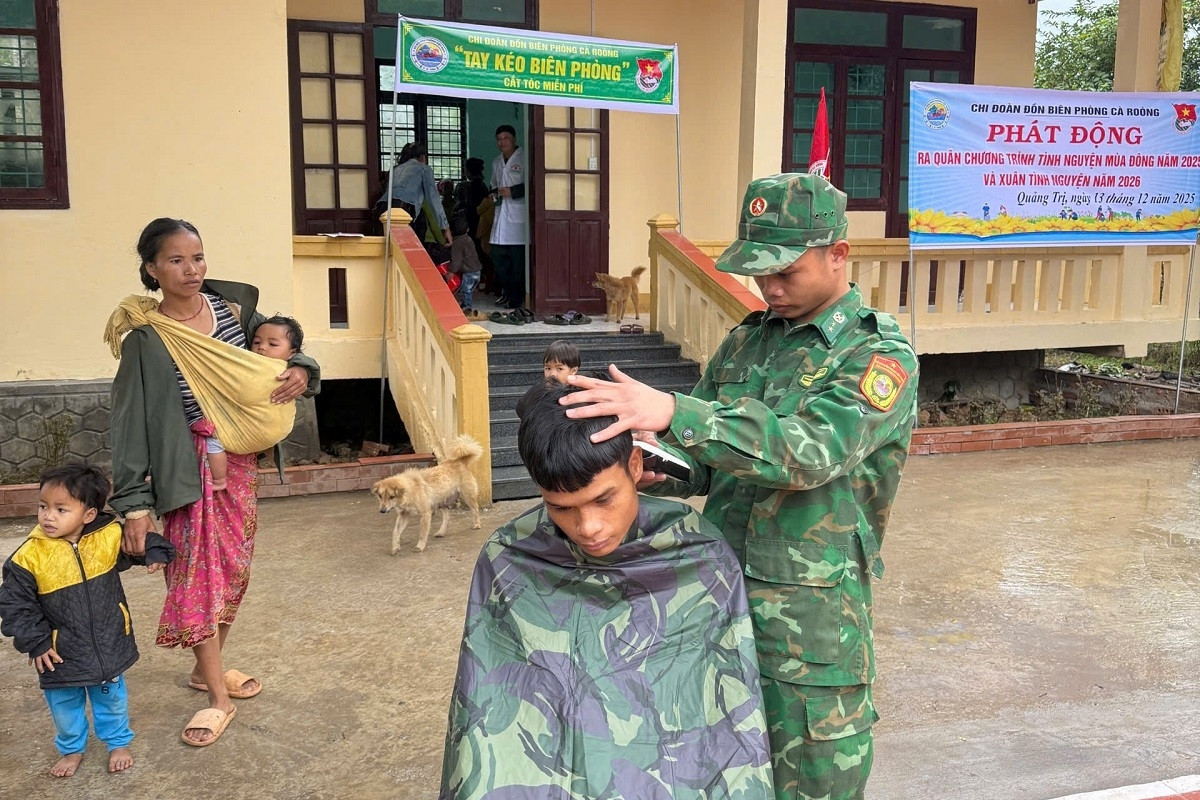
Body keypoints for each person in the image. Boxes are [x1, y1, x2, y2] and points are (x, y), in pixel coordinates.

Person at [560, 173, 919, 800]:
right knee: (718, 773)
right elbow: (704, 462)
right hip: (718, 604)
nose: (770, 287)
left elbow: (811, 452)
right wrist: (646, 460)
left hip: (809, 632)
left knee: (812, 784)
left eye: (785, 271)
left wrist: (675, 412)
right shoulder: (749, 342)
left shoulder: (876, 355)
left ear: (838, 254)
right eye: (759, 272)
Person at [438, 381, 774, 800]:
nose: (588, 527)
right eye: (561, 507)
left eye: (604, 499)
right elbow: (486, 713)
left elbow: (724, 720)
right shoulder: (510, 557)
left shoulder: (698, 553)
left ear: (634, 466)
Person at [108, 218, 320, 747]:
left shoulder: (232, 310)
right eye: (176, 260)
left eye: (198, 257)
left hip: (240, 465)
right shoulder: (147, 340)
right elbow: (129, 426)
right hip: (187, 470)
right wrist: (135, 506)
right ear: (152, 269)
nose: (191, 269)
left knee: (232, 570)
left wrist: (302, 369)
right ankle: (218, 699)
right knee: (197, 575)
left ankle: (206, 669)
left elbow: (283, 344)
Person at [0, 464, 176, 777]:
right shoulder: (28, 558)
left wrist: (154, 552)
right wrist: (36, 642)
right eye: (43, 506)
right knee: (64, 706)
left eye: (61, 509)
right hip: (58, 653)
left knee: (112, 699)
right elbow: (15, 605)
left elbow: (138, 541)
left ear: (89, 514)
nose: (48, 516)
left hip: (109, 642)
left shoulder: (107, 537)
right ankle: (72, 749)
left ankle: (118, 742)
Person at [377, 141, 453, 250]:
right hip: (404, 209)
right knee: (406, 248)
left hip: (382, 208)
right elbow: (434, 200)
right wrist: (445, 228)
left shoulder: (394, 170)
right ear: (423, 157)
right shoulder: (424, 169)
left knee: (389, 248)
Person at [489, 125, 527, 309]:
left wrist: (513, 191)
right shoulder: (496, 162)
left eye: (506, 138)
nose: (502, 142)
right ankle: (506, 292)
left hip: (517, 218)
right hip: (501, 216)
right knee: (497, 255)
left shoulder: (524, 158)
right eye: (499, 139)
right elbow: (493, 184)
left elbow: (532, 184)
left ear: (514, 139)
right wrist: (493, 194)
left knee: (517, 263)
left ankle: (516, 298)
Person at [448, 212, 482, 316]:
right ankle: (464, 305)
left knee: (465, 290)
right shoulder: (468, 239)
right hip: (477, 270)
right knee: (468, 290)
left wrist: (451, 272)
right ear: (467, 230)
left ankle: (468, 308)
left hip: (469, 272)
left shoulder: (457, 243)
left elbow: (456, 260)